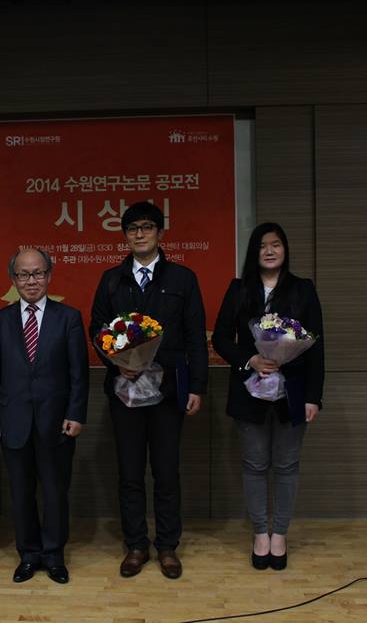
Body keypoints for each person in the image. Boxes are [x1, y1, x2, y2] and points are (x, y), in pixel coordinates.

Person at [89, 201, 208, 580]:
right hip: (125, 391)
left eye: (147, 227)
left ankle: (168, 546)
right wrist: (117, 362)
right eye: (132, 228)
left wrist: (198, 386)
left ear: (160, 232)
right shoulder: (111, 279)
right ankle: (136, 545)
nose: (140, 233)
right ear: (125, 235)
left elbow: (194, 336)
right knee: (129, 472)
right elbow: (97, 330)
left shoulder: (182, 279)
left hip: (169, 391)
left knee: (167, 471)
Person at [211, 222, 324, 571]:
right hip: (250, 390)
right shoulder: (239, 288)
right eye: (262, 246)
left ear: (285, 249)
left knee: (287, 466)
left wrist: (313, 397)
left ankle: (280, 533)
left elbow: (317, 347)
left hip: (293, 391)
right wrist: (251, 360)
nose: (270, 250)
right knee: (255, 465)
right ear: (253, 252)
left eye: (276, 244)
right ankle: (260, 532)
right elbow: (220, 339)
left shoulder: (303, 289)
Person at [0, 248, 88, 584]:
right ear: (13, 280)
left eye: (38, 273)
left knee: (56, 492)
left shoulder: (68, 318)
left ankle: (54, 555)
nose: (32, 281)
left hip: (57, 421)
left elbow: (78, 374)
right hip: (12, 421)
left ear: (49, 275)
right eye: (24, 275)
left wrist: (75, 412)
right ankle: (28, 554)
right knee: (21, 492)